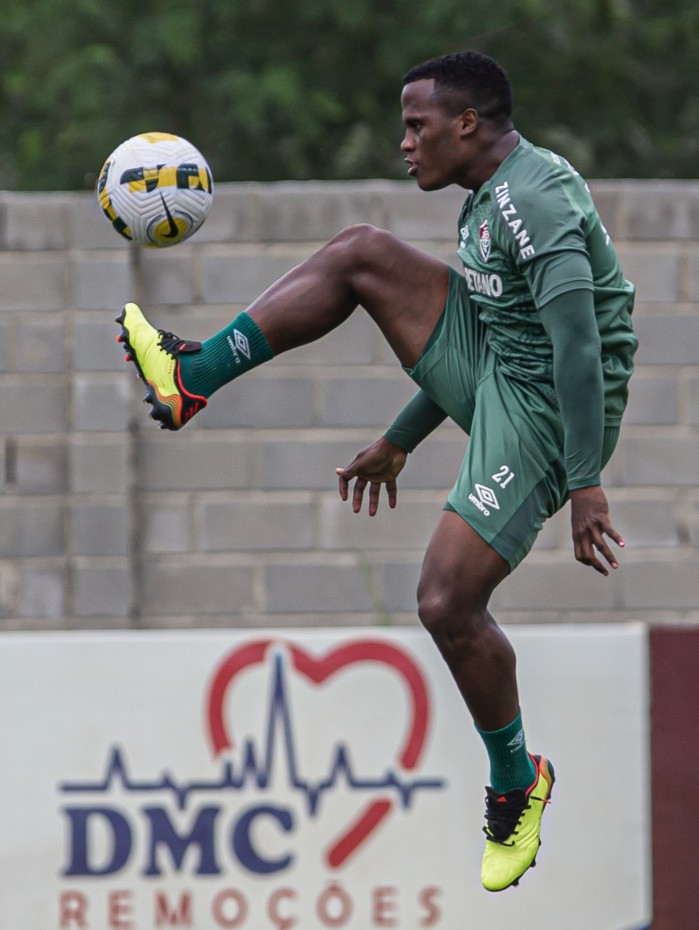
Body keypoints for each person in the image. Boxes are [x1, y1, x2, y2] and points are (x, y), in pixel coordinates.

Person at [115, 50, 637, 892]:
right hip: (512, 374)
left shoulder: (533, 199)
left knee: (444, 601)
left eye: (416, 125)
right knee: (362, 250)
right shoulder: (483, 203)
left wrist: (583, 482)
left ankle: (515, 784)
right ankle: (191, 377)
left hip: (550, 417)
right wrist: (401, 437)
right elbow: (504, 331)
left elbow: (576, 347)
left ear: (466, 124)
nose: (404, 143)